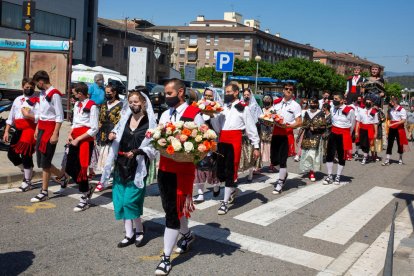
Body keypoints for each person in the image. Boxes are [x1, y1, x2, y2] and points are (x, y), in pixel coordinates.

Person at [155, 78, 204, 275]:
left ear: (181, 92)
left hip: (182, 170)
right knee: (171, 207)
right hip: (165, 167)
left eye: (169, 93)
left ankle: (165, 259)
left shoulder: (194, 114)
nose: (166, 97)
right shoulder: (166, 113)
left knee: (172, 213)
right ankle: (187, 235)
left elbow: (204, 142)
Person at [100, 88, 157, 248]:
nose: (133, 105)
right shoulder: (124, 119)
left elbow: (153, 148)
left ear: (143, 103)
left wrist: (138, 151)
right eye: (130, 102)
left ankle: (139, 230)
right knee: (119, 201)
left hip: (138, 167)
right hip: (121, 165)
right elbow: (116, 134)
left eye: (136, 102)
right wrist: (112, 136)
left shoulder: (150, 123)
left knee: (130, 201)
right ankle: (129, 233)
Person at [210, 84, 260, 214]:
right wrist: (212, 115)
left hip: (234, 141)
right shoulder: (223, 108)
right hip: (222, 140)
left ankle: (225, 202)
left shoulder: (243, 108)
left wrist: (256, 145)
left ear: (236, 92)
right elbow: (217, 127)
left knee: (230, 170)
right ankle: (231, 189)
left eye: (229, 91)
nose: (226, 94)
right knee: (220, 170)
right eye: (225, 92)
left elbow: (251, 128)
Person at [30, 70, 65, 203]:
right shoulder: (43, 93)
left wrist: (55, 133)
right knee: (40, 160)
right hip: (42, 128)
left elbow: (59, 116)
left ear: (41, 81)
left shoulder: (54, 94)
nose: (36, 86)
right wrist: (37, 128)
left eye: (36, 83)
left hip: (50, 129)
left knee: (45, 161)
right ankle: (62, 176)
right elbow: (41, 113)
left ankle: (44, 192)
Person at [63, 83, 99, 211]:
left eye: (74, 93)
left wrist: (78, 138)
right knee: (69, 167)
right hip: (75, 139)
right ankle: (87, 188)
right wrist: (70, 134)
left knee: (82, 170)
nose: (73, 95)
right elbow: (75, 122)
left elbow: (94, 128)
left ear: (80, 93)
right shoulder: (77, 104)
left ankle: (84, 198)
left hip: (84, 140)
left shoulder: (92, 106)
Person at [3, 78, 39, 192]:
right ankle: (28, 171)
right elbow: (11, 116)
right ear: (23, 87)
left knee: (26, 154)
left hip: (29, 129)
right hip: (18, 129)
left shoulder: (36, 100)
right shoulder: (18, 99)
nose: (29, 89)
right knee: (11, 154)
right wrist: (6, 131)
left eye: (31, 87)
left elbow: (40, 117)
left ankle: (27, 181)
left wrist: (29, 116)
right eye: (27, 87)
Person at [271, 83, 302, 194]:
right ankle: (284, 174)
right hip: (275, 133)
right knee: (274, 160)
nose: (288, 90)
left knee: (283, 159)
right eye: (286, 89)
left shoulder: (295, 105)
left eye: (291, 89)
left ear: (293, 91)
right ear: (283, 90)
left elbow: (299, 122)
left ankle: (280, 183)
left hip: (286, 134)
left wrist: (287, 126)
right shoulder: (276, 103)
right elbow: (272, 116)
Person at [94, 84, 124, 192]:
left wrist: (115, 132)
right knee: (105, 158)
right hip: (103, 134)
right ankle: (106, 178)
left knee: (110, 159)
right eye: (106, 92)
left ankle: (104, 181)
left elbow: (120, 122)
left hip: (115, 135)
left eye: (109, 92)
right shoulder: (103, 104)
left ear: (115, 92)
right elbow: (100, 119)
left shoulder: (121, 105)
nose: (107, 94)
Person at [193, 88, 221, 204]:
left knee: (212, 169)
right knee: (199, 168)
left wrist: (212, 115)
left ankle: (216, 186)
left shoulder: (216, 111)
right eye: (206, 95)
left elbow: (218, 129)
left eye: (210, 96)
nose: (208, 98)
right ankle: (200, 194)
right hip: (199, 142)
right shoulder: (198, 109)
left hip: (212, 143)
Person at [323, 93, 355, 185]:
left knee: (341, 156)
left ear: (342, 100)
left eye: (336, 98)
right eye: (333, 98)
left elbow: (352, 124)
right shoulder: (332, 108)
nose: (334, 100)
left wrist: (349, 134)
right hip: (333, 132)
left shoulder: (349, 110)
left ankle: (338, 176)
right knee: (329, 154)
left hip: (344, 134)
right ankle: (329, 176)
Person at [299, 97, 326, 182]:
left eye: (314, 103)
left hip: (316, 137)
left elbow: (324, 126)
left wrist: (315, 128)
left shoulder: (321, 113)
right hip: (307, 135)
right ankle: (308, 169)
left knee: (313, 154)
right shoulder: (306, 113)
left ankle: (312, 172)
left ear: (317, 104)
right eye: (311, 103)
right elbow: (303, 125)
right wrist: (299, 136)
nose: (312, 104)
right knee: (306, 154)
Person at [240, 88, 262, 180]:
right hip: (242, 133)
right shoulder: (240, 105)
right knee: (243, 153)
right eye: (244, 95)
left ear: (251, 95)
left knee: (252, 153)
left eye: (248, 95)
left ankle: (251, 173)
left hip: (252, 132)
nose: (246, 96)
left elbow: (260, 118)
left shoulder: (255, 106)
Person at [382, 97, 409, 165]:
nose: (390, 103)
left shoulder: (401, 109)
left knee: (400, 144)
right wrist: (388, 111)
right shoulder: (391, 109)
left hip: (399, 128)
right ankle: (387, 159)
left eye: (391, 102)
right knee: (390, 143)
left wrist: (394, 123)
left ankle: (400, 158)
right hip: (392, 128)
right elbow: (388, 118)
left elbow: (403, 120)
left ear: (394, 102)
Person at [354, 96, 378, 165]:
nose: (368, 103)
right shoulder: (361, 111)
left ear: (372, 103)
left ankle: (365, 157)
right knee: (362, 144)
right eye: (366, 102)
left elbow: (375, 123)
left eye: (369, 102)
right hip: (362, 129)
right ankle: (366, 155)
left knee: (367, 144)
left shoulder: (374, 112)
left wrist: (375, 133)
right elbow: (358, 121)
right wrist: (356, 131)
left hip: (370, 129)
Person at [260, 95, 274, 171]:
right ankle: (258, 166)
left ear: (271, 100)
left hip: (270, 133)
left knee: (270, 149)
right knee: (260, 149)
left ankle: (272, 165)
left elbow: (275, 120)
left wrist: (267, 121)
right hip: (261, 132)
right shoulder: (261, 109)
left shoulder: (273, 110)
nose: (266, 100)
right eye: (265, 99)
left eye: (268, 98)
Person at [294, 98, 309, 162]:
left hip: (303, 128)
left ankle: (298, 155)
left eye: (305, 103)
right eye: (303, 103)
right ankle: (297, 153)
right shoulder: (298, 110)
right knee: (296, 141)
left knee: (300, 141)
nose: (304, 104)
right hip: (297, 127)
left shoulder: (307, 111)